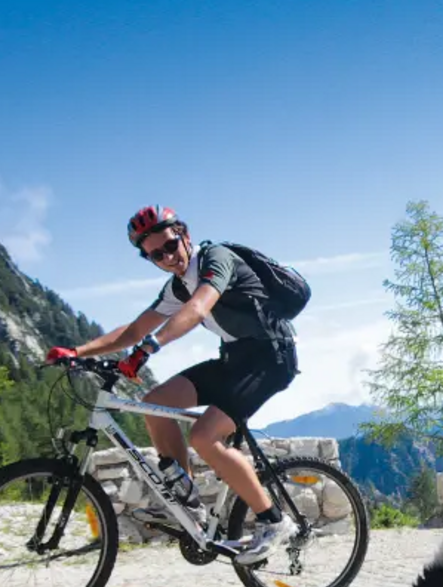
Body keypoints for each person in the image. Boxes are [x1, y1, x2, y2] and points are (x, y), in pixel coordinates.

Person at [47, 205, 300, 565]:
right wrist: (77, 350)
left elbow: (198, 309)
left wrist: (151, 346)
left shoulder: (217, 259)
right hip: (233, 360)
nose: (168, 257)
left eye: (170, 246)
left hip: (270, 359)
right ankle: (189, 505)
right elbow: (134, 329)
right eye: (156, 255)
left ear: (184, 234)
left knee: (203, 436)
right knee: (156, 403)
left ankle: (273, 522)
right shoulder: (177, 287)